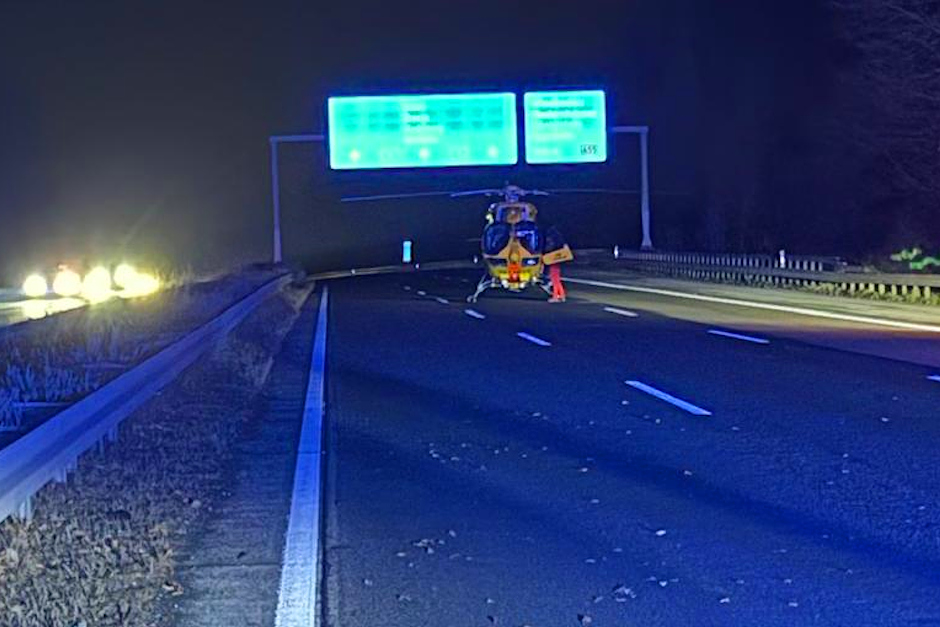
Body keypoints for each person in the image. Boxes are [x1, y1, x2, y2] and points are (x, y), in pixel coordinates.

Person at [542, 225, 573, 303]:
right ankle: (561, 295)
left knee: (554, 279)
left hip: (552, 259)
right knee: (557, 279)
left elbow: (549, 247)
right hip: (557, 259)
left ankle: (556, 296)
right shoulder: (559, 239)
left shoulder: (552, 239)